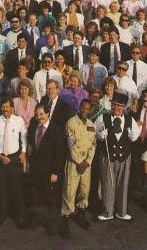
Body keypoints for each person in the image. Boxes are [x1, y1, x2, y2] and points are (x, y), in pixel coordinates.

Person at [95, 91, 141, 222]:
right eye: (114, 105)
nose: (116, 108)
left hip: (124, 157)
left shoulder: (129, 120)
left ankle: (121, 212)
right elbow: (95, 133)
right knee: (107, 183)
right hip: (107, 156)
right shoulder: (102, 118)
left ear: (124, 107)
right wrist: (100, 135)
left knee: (123, 184)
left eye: (119, 106)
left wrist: (133, 136)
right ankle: (107, 212)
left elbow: (135, 137)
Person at [0, 98, 28, 228]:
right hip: (0, 158)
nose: (5, 110)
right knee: (1, 188)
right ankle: (2, 215)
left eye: (8, 107)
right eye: (3, 107)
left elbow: (24, 137)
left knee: (17, 188)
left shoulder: (19, 120)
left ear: (12, 108)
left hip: (15, 158)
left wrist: (24, 151)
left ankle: (20, 216)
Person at [26, 103, 65, 235]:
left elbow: (60, 153)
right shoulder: (34, 127)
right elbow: (32, 146)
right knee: (36, 198)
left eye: (41, 114)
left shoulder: (55, 129)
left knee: (51, 201)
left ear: (48, 113)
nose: (39, 117)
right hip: (36, 172)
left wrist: (55, 172)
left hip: (50, 172)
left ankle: (53, 227)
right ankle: (36, 222)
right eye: (37, 115)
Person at [60, 98, 96, 236]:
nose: (85, 111)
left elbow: (93, 145)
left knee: (84, 189)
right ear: (79, 107)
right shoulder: (71, 122)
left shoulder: (92, 125)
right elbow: (70, 145)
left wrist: (87, 161)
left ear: (90, 110)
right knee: (69, 190)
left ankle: (81, 214)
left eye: (87, 109)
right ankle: (65, 219)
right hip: (74, 162)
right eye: (83, 108)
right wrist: (79, 161)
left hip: (86, 164)